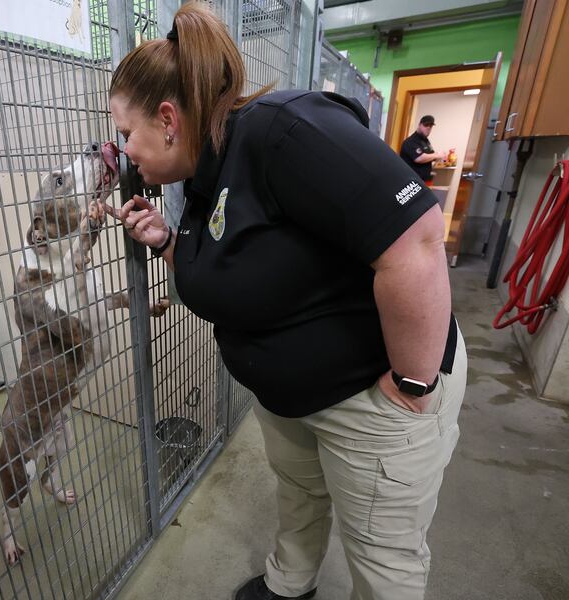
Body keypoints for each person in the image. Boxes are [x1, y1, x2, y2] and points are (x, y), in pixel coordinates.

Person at [102, 4, 467, 600]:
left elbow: (418, 242)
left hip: (371, 394)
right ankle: (290, 584)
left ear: (168, 118)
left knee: (382, 555)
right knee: (298, 495)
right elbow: (236, 259)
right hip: (290, 399)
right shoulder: (200, 173)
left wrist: (412, 385)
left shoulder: (283, 130)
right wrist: (167, 241)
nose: (124, 152)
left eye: (126, 134)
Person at [400, 115, 446, 183]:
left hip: (424, 181)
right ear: (419, 125)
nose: (428, 128)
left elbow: (431, 155)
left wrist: (440, 156)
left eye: (430, 126)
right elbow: (419, 158)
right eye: (426, 125)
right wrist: (437, 155)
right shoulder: (411, 141)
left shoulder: (425, 141)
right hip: (411, 182)